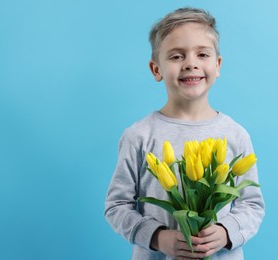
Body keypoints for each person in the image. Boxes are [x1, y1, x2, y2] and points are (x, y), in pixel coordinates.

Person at [104, 7, 265, 259]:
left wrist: (225, 231)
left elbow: (251, 204)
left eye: (202, 54)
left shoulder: (235, 134)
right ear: (156, 69)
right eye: (177, 56)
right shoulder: (139, 135)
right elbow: (117, 206)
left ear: (217, 64)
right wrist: (157, 238)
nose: (191, 63)